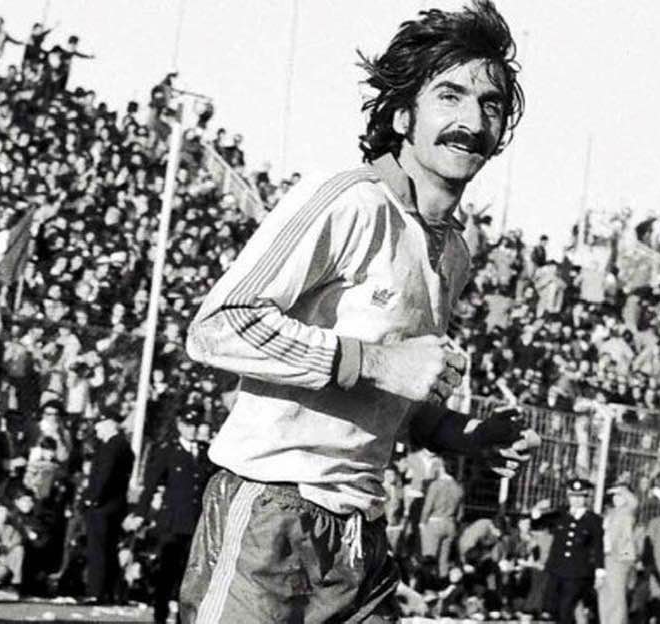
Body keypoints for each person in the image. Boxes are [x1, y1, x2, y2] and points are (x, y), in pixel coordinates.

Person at [179, 2, 535, 621]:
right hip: (271, 516)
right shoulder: (349, 201)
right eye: (449, 97)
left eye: (491, 104)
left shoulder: (454, 251)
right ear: (402, 115)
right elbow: (218, 326)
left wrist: (453, 432)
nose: (472, 122)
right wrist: (375, 361)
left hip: (360, 537)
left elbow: (388, 391)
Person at [129, 407, 216, 624]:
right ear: (179, 425)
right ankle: (160, 616)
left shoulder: (206, 453)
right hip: (172, 523)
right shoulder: (168, 451)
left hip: (195, 524)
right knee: (166, 574)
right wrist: (140, 513)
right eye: (188, 425)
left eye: (195, 425)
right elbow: (150, 485)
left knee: (189, 576)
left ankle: (181, 619)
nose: (192, 430)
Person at [529, 478, 605, 624]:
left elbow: (598, 547)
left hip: (577, 572)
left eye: (580, 496)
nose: (576, 500)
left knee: (566, 607)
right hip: (556, 569)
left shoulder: (593, 520)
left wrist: (599, 571)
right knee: (550, 607)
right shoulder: (560, 514)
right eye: (573, 496)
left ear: (586, 498)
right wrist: (537, 509)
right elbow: (537, 522)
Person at [83, 408, 134, 605]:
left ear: (109, 424)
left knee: (98, 549)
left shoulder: (110, 447)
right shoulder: (124, 446)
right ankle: (112, 591)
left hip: (102, 506)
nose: (96, 428)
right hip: (116, 504)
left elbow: (104, 475)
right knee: (110, 548)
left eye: (99, 424)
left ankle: (96, 591)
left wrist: (93, 498)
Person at [598, 482, 637, 624]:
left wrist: (622, 490)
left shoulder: (627, 511)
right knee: (604, 594)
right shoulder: (611, 512)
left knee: (616, 596)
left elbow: (633, 502)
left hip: (619, 558)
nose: (616, 497)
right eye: (614, 495)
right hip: (606, 556)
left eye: (620, 495)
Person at [418, 459, 463, 578]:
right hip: (450, 523)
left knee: (429, 558)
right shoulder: (458, 487)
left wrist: (422, 522)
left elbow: (428, 506)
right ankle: (442, 582)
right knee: (444, 560)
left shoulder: (436, 485)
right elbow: (460, 514)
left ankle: (427, 583)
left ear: (442, 468)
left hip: (435, 522)